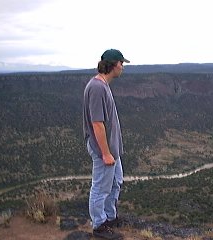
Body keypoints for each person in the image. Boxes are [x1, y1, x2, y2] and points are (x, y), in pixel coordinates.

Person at [83, 49, 130, 239]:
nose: (122, 67)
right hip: (104, 149)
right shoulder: (97, 88)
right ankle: (99, 224)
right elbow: (97, 123)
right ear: (113, 64)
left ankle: (110, 217)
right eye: (121, 63)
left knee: (115, 183)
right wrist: (105, 153)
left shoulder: (103, 85)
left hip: (112, 149)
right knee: (101, 187)